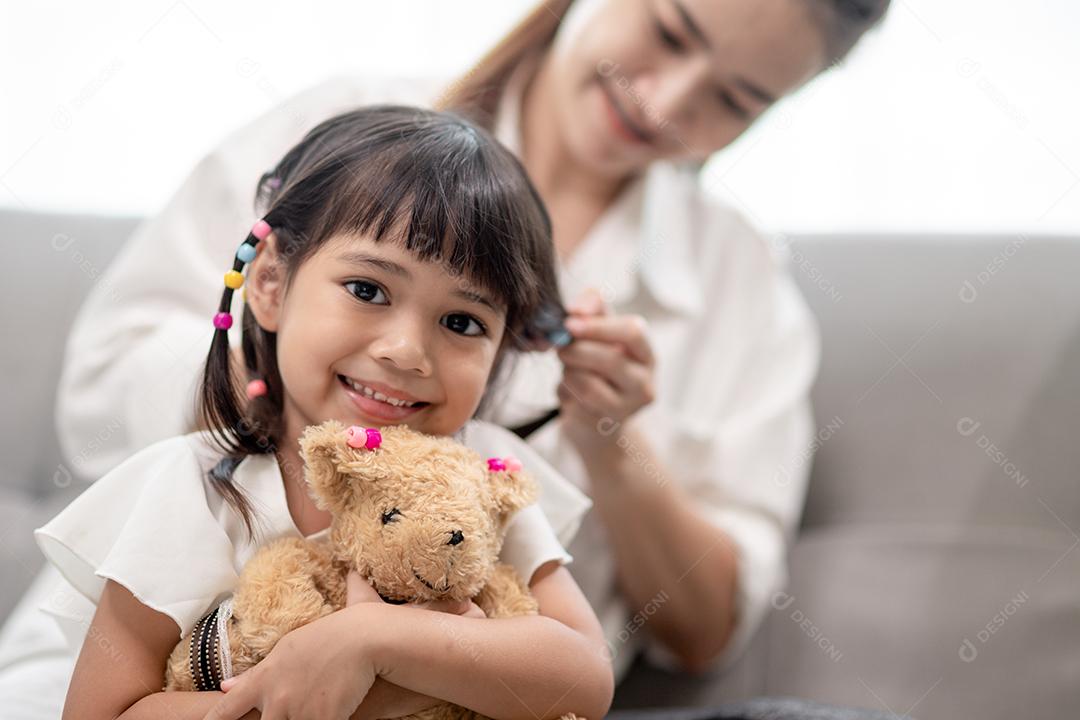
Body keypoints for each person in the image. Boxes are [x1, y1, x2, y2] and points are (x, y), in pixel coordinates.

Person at [0, 0, 892, 715]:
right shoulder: (340, 124)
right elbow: (105, 382)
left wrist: (611, 443)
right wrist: (303, 395)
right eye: (669, 30)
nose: (664, 100)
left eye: (737, 99)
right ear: (268, 281)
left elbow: (681, 640)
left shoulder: (506, 469)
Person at [33, 105, 613, 719]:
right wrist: (337, 692)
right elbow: (100, 712)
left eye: (462, 322)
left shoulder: (480, 476)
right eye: (368, 290)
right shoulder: (196, 488)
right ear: (272, 284)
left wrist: (374, 641)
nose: (407, 351)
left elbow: (585, 675)